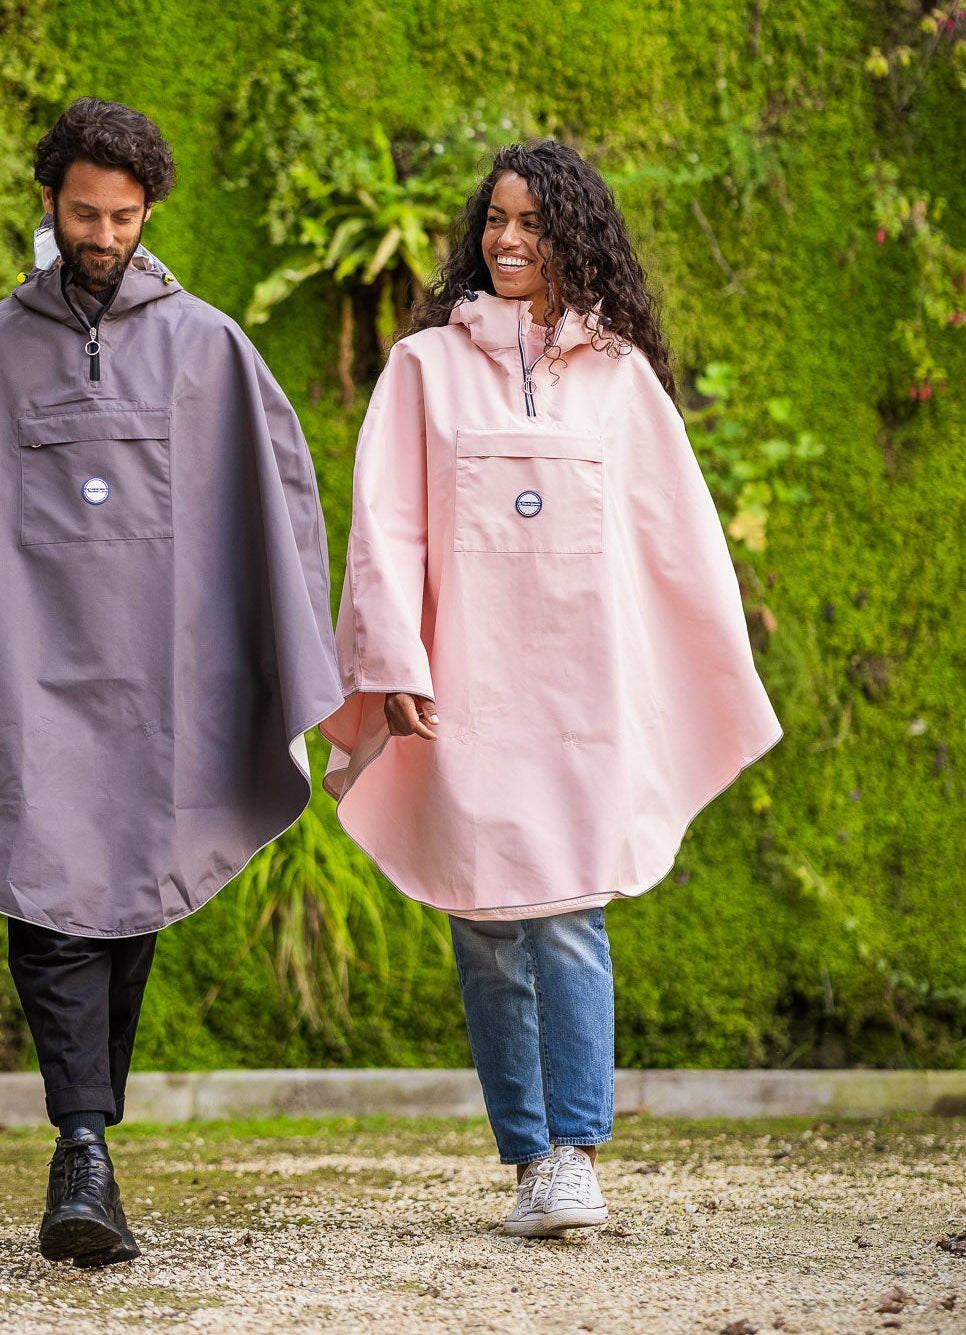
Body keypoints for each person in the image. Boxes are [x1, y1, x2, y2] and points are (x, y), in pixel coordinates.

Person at [0, 97, 343, 1268]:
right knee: (45, 896)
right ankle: (80, 1145)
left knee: (131, 898)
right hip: (30, 686)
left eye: (123, 216)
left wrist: (286, 667)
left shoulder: (206, 350)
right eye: (83, 212)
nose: (101, 233)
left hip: (160, 691)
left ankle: (88, 1133)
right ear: (48, 202)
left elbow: (277, 509)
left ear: (150, 210)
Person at [320, 140, 782, 1238]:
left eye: (530, 221)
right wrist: (390, 661)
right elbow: (384, 526)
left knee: (569, 913)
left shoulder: (619, 377)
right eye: (493, 219)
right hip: (463, 691)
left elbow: (671, 540)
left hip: (581, 698)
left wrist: (670, 677)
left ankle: (574, 1153)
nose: (508, 239)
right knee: (481, 921)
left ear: (572, 235)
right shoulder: (422, 367)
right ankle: (524, 1157)